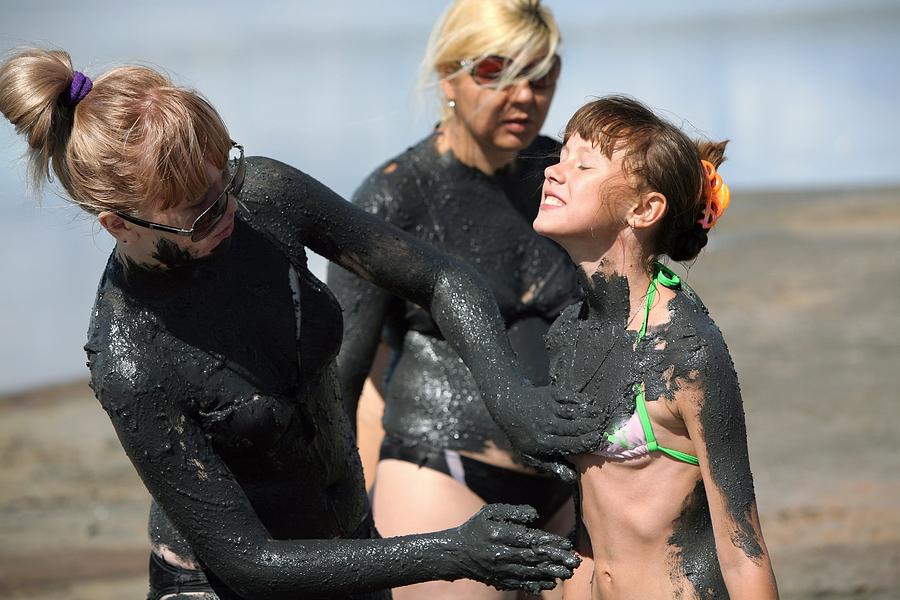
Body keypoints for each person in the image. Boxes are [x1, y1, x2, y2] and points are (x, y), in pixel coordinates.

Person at [0, 48, 601, 600]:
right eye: (199, 213)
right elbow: (247, 560)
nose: (229, 209)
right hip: (221, 585)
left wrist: (509, 394)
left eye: (224, 178)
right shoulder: (131, 358)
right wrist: (451, 551)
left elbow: (438, 278)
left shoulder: (264, 194)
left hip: (353, 547)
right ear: (118, 225)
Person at [327, 2, 579, 597]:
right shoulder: (394, 198)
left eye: (542, 74)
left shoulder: (565, 175)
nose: (524, 94)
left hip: (570, 483)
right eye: (497, 71)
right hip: (441, 473)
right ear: (448, 76)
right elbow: (339, 375)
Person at [533, 95, 779, 599]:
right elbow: (585, 528)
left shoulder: (686, 350)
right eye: (561, 155)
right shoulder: (570, 332)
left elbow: (743, 551)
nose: (555, 172)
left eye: (583, 164)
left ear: (644, 209)